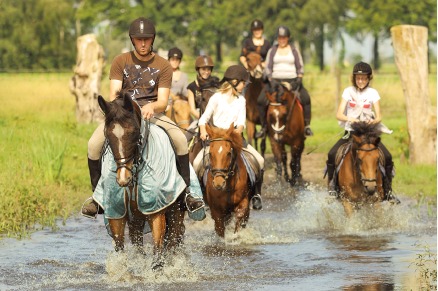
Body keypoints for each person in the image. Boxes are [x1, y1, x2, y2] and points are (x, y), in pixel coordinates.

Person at [81, 17, 204, 218]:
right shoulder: (120, 61)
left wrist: (152, 106)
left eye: (147, 39)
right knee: (93, 144)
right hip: (123, 115)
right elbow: (114, 95)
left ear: (152, 39)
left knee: (181, 141)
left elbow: (163, 101)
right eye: (139, 39)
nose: (143, 43)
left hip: (152, 114)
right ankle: (97, 198)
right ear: (132, 40)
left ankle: (187, 194)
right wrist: (128, 111)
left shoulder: (163, 65)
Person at [193, 65, 264, 210]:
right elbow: (203, 119)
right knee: (196, 163)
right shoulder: (216, 98)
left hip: (234, 138)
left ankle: (256, 194)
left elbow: (241, 123)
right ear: (234, 82)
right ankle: (201, 196)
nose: (244, 85)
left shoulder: (241, 100)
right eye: (243, 82)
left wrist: (237, 132)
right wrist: (202, 131)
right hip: (216, 139)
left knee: (260, 161)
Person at [326, 61, 399, 203]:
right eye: (358, 78)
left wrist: (373, 121)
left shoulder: (373, 93)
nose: (360, 81)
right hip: (351, 132)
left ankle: (388, 191)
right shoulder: (348, 92)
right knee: (332, 153)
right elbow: (339, 115)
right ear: (354, 78)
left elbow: (379, 116)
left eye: (364, 78)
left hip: (369, 133)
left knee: (388, 157)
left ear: (368, 78)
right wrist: (350, 119)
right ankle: (332, 188)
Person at [255, 25, 313, 138]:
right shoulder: (272, 50)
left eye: (284, 38)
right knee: (261, 100)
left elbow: (300, 66)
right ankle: (263, 127)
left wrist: (299, 79)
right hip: (275, 81)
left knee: (306, 98)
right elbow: (268, 67)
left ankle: (306, 126)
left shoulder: (294, 50)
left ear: (288, 38)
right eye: (280, 37)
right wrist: (271, 80)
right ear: (277, 38)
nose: (282, 40)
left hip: (292, 81)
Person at [186, 55, 220, 120]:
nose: (206, 72)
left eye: (208, 69)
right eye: (203, 69)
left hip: (216, 117)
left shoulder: (216, 84)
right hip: (200, 117)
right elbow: (192, 110)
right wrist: (204, 119)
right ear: (198, 69)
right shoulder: (191, 87)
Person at [166, 47, 189, 112]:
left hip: (180, 103)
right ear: (169, 60)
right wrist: (174, 98)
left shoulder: (184, 76)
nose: (175, 62)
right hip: (167, 103)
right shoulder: (165, 74)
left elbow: (185, 92)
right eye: (173, 59)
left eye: (177, 60)